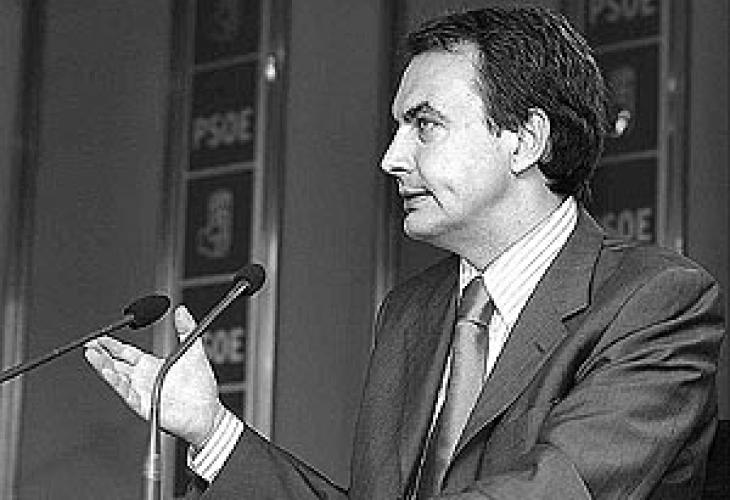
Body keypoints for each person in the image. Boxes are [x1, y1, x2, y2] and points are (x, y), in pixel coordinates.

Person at [85, 6, 724, 499]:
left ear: (525, 140)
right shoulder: (410, 310)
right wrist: (212, 430)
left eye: (425, 124)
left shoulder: (653, 300)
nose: (391, 158)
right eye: (398, 128)